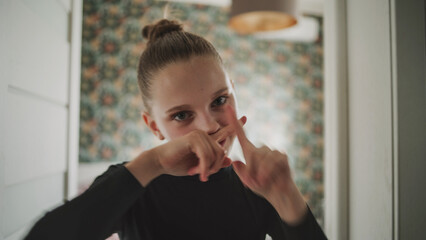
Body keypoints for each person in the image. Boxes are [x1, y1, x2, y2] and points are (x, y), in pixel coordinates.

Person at [24, 19, 327, 240]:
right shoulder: (133, 187)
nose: (209, 126)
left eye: (220, 100)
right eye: (182, 115)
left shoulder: (257, 187)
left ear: (233, 91)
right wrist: (152, 163)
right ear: (154, 126)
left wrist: (288, 197)